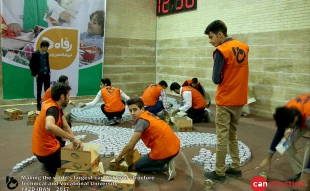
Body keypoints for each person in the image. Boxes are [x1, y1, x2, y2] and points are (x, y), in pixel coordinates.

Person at [202, 20, 249, 184]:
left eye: (211, 37)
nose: (210, 41)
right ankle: (236, 168)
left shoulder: (221, 50)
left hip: (225, 99)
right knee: (232, 135)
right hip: (240, 99)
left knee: (221, 137)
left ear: (220, 34)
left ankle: (219, 172)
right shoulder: (244, 47)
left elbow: (216, 79)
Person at [115, 98, 180, 181]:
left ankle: (165, 166)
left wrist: (119, 156)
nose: (132, 113)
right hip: (175, 146)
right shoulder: (148, 114)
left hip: (165, 151)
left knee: (138, 166)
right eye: (130, 111)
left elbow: (131, 145)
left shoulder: (142, 121)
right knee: (144, 159)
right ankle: (166, 159)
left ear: (142, 108)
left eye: (135, 110)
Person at [32, 83, 83, 176]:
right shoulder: (52, 109)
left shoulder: (52, 103)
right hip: (46, 152)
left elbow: (66, 125)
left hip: (39, 149)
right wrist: (72, 139)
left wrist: (73, 138)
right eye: (68, 95)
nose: (69, 98)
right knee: (77, 165)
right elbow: (49, 126)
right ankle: (50, 166)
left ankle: (50, 163)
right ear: (62, 97)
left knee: (64, 126)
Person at [258, 94, 310, 184]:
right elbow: (279, 133)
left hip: (307, 115)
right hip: (303, 115)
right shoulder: (286, 111)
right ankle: (300, 173)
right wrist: (268, 157)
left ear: (295, 120)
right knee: (285, 142)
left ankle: (306, 177)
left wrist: (307, 174)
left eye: (290, 126)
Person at [29, 40, 51, 111]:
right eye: (46, 47)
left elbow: (47, 63)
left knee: (47, 90)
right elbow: (31, 64)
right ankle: (39, 106)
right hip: (39, 74)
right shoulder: (35, 54)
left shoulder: (46, 54)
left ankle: (47, 104)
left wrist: (48, 71)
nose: (47, 48)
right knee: (39, 90)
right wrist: (34, 74)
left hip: (46, 74)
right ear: (42, 46)